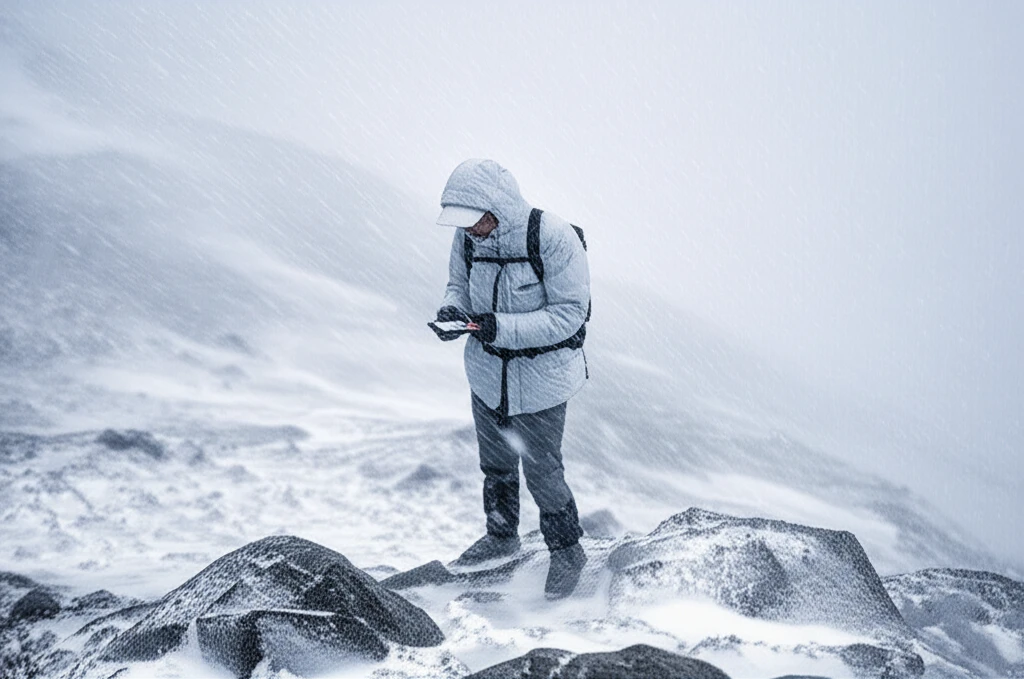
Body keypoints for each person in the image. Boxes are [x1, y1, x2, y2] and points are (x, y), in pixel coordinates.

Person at [429, 159, 590, 599]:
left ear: (495, 206)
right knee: (496, 463)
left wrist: (500, 326)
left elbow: (569, 316)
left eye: (474, 221)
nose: (469, 231)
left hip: (541, 383)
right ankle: (501, 537)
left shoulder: (551, 237)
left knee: (543, 470)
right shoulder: (467, 240)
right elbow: (457, 286)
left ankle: (567, 550)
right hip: (486, 376)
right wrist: (453, 310)